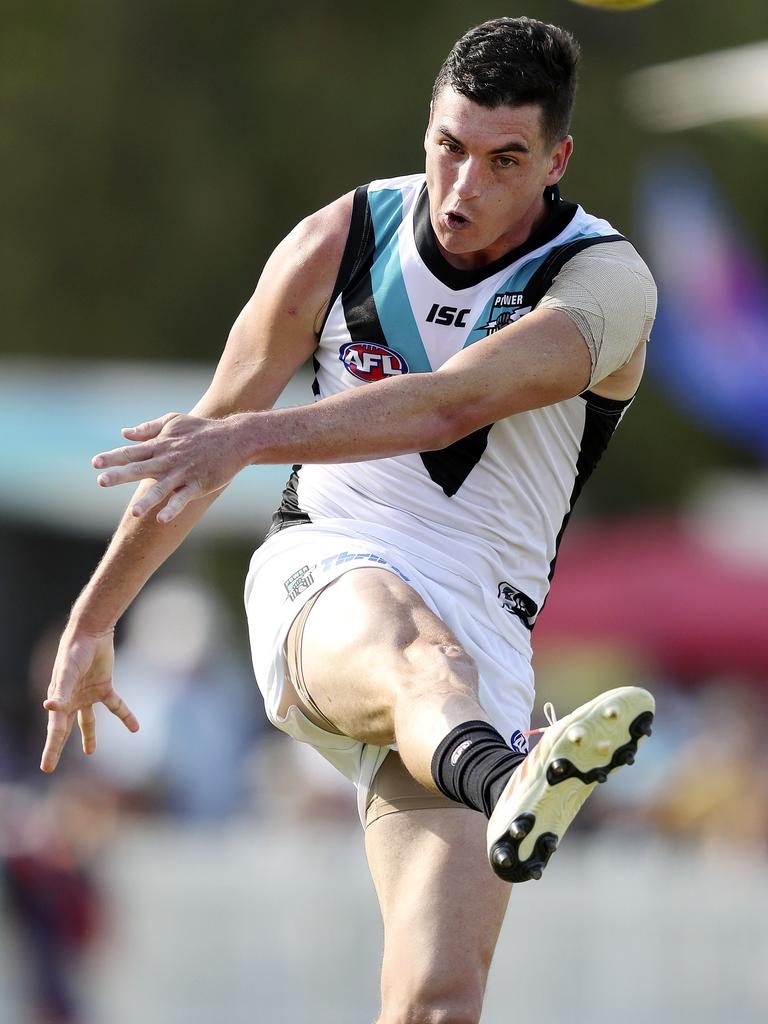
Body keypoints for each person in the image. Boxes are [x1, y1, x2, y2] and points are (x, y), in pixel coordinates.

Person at [41, 17, 657, 1023]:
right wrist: (91, 619)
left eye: (505, 161)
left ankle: (501, 773)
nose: (464, 188)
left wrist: (246, 437)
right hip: (328, 571)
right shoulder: (339, 240)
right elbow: (200, 446)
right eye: (449, 148)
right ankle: (511, 776)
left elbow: (456, 400)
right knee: (419, 655)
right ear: (426, 129)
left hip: (486, 629)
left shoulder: (605, 283)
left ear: (558, 159)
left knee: (437, 997)